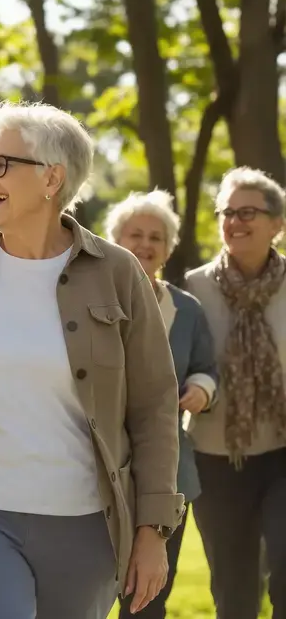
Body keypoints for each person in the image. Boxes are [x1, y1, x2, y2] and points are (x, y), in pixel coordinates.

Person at [0, 100, 184, 619]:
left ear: (52, 178)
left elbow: (155, 407)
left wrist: (153, 528)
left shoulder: (118, 273)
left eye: (1, 164)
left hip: (86, 520)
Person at [105, 190, 219, 619]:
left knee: (148, 598)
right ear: (114, 240)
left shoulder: (186, 309)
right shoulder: (88, 298)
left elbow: (207, 366)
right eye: (135, 234)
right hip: (97, 464)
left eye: (156, 237)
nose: (145, 245)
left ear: (168, 249)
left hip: (169, 472)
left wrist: (202, 389)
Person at [184, 166, 286, 619]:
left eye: (248, 212)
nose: (235, 221)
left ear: (277, 224)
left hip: (283, 451)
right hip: (215, 456)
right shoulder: (193, 289)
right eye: (228, 212)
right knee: (234, 586)